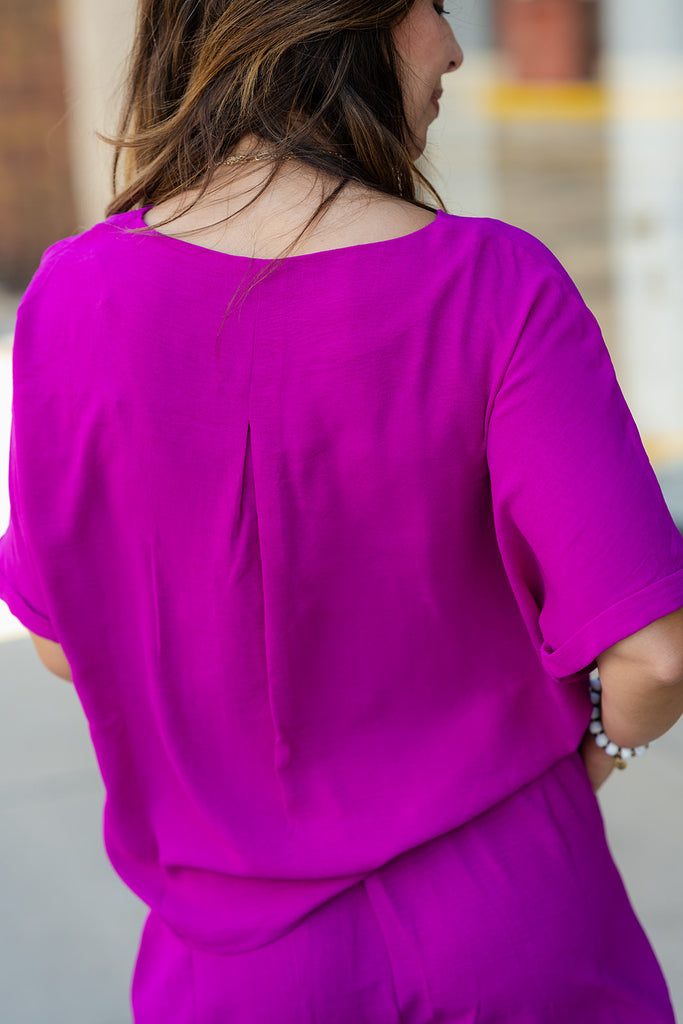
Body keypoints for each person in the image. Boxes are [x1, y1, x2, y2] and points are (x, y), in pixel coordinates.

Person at [1, 0, 683, 1020]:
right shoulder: (495, 287)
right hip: (511, 917)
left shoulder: (70, 296)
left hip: (235, 968)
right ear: (338, 20)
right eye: (433, 6)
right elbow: (654, 656)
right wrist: (593, 756)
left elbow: (63, 639)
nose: (453, 48)